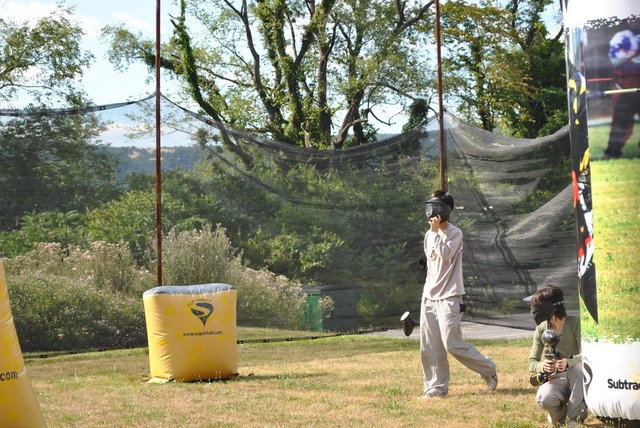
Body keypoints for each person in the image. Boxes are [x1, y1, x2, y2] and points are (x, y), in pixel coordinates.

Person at [419, 190, 497, 398]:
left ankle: (488, 369)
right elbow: (432, 261)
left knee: (452, 343)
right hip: (429, 296)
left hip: (450, 296)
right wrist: (433, 233)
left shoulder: (455, 233)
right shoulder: (429, 234)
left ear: (446, 211)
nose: (432, 212)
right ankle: (435, 389)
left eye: (436, 208)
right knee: (430, 346)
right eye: (430, 207)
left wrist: (436, 232)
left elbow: (445, 254)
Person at [528, 285, 588, 426]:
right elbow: (532, 362)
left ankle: (574, 419)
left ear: (551, 306)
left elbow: (587, 355)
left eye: (538, 306)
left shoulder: (575, 323)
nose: (535, 310)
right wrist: (543, 366)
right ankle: (560, 416)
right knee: (544, 398)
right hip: (557, 379)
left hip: (579, 378)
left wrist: (568, 362)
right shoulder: (541, 328)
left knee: (578, 368)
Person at [604, 17, 640, 159]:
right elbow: (615, 60)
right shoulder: (621, 37)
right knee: (621, 122)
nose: (634, 21)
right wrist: (633, 54)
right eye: (631, 18)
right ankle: (612, 152)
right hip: (626, 87)